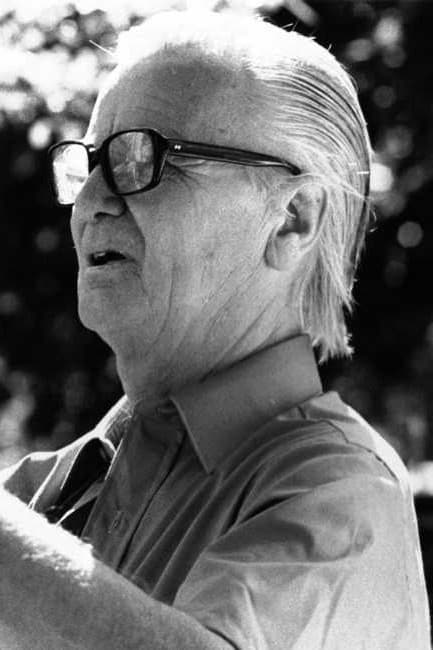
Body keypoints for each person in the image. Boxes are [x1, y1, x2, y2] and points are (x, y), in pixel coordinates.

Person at [0, 9, 430, 649]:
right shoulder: (40, 492)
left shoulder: (342, 489)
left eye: (141, 157)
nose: (90, 202)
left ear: (293, 218)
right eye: (85, 165)